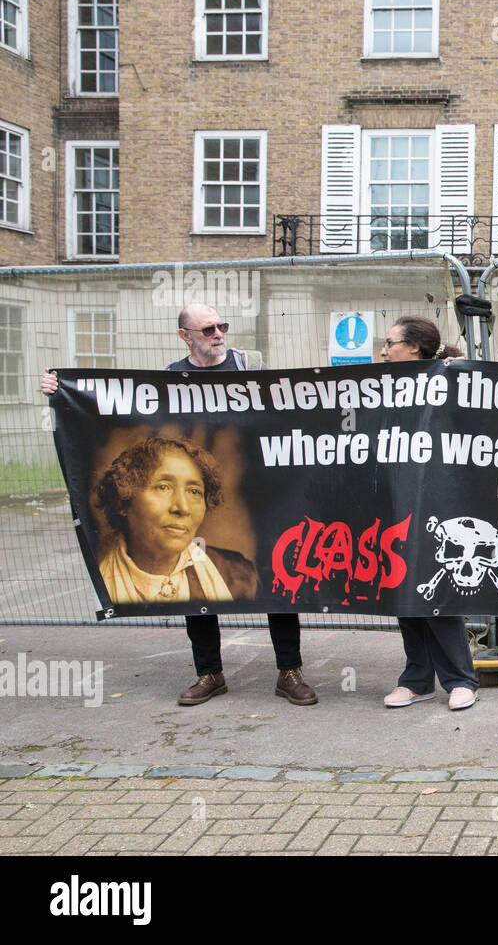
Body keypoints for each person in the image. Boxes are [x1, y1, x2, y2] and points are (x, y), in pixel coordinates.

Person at [42, 303, 318, 708]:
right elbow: (110, 406)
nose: (218, 334)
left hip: (258, 494)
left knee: (275, 583)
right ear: (185, 336)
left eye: (222, 326)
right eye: (207, 329)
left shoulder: (249, 371)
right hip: (189, 496)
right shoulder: (169, 381)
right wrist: (60, 389)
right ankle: (209, 674)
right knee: (191, 588)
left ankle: (289, 672)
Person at [378, 315, 479, 711]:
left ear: (415, 348)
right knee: (403, 589)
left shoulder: (448, 378)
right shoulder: (382, 388)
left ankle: (460, 679)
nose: (384, 351)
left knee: (437, 592)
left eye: (391, 343)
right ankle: (416, 679)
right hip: (394, 503)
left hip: (439, 503)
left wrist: (463, 371)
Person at [93, 436, 256, 604]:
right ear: (123, 500)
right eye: (163, 487)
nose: (183, 508)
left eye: (194, 491)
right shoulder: (96, 580)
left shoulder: (238, 576)